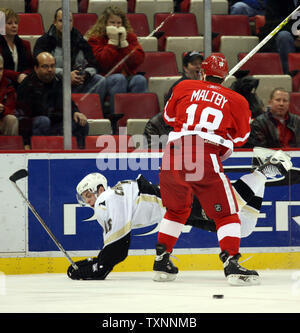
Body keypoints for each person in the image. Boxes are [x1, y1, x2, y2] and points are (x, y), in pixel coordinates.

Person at [67, 146, 293, 280]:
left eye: (88, 195)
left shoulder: (104, 200)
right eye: (84, 198)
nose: (88, 201)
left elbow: (117, 248)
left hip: (176, 200)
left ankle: (266, 169)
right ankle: (259, 167)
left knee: (229, 204)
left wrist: (97, 267)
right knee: (242, 227)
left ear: (99, 188)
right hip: (176, 206)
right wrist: (97, 263)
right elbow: (114, 248)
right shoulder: (114, 195)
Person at [152, 54, 260, 286]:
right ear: (225, 76)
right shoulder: (237, 99)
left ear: (202, 72)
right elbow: (242, 137)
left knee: (177, 210)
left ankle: (161, 260)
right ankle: (231, 262)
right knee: (226, 213)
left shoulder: (183, 86)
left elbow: (169, 117)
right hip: (203, 154)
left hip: (172, 154)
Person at [33, 8, 107, 109]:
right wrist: (66, 75)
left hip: (78, 81)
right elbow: (40, 68)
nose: (65, 24)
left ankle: (91, 110)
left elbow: (94, 65)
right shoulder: (43, 41)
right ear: (54, 22)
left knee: (100, 80)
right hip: (55, 81)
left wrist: (84, 74)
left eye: (69, 21)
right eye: (61, 20)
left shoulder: (81, 41)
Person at [16, 52, 89, 148]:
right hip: (34, 126)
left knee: (81, 122)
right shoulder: (27, 86)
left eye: (52, 66)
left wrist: (75, 112)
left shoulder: (58, 81)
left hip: (55, 124)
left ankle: (79, 157)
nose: (50, 70)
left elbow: (68, 103)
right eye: (45, 66)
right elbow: (26, 116)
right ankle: (39, 154)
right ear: (36, 68)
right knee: (43, 121)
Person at [86, 6, 148, 114]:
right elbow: (102, 63)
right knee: (119, 79)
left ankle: (137, 119)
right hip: (107, 78)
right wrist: (113, 43)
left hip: (128, 76)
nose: (116, 26)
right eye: (112, 23)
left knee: (140, 80)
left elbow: (138, 60)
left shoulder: (129, 37)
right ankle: (118, 121)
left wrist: (124, 44)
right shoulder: (95, 38)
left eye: (119, 23)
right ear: (105, 23)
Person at [144, 51, 204, 148]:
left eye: (200, 64)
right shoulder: (181, 86)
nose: (198, 67)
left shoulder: (203, 87)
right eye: (194, 64)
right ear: (185, 68)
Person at [259, 0, 300, 75]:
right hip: (279, 39)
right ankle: (288, 76)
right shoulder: (275, 2)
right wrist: (296, 34)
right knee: (284, 36)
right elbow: (272, 25)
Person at [0, 8, 33, 88]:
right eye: (9, 23)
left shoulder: (25, 44)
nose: (14, 26)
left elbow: (31, 66)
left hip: (23, 83)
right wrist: (17, 76)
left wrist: (25, 75)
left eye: (16, 23)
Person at [0, 54, 18, 136]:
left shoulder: (8, 85)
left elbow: (12, 110)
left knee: (11, 119)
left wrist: (3, 109)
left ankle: (10, 148)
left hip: (1, 120)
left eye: (0, 69)